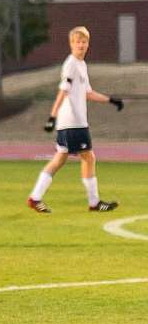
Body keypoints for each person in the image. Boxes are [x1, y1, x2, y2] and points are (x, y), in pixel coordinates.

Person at [27, 26, 124, 214]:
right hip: (73, 122)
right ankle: (94, 203)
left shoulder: (81, 65)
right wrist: (51, 117)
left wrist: (111, 100)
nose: (81, 44)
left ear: (88, 44)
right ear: (71, 44)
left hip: (71, 122)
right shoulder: (71, 64)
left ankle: (35, 198)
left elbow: (88, 93)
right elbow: (63, 90)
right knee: (89, 157)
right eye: (77, 41)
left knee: (59, 159)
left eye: (84, 41)